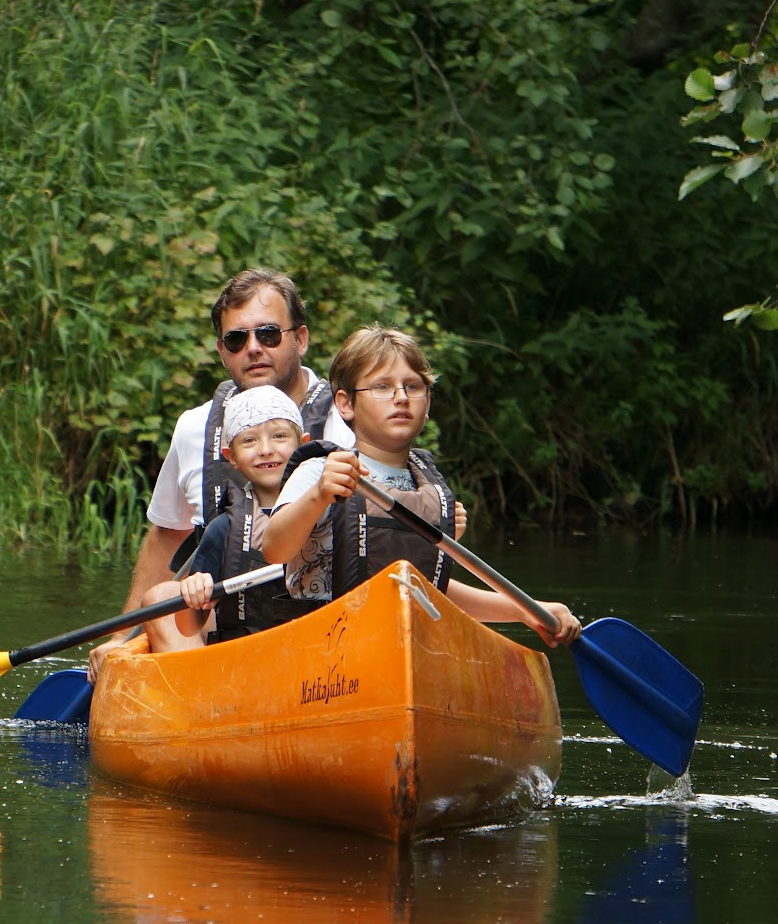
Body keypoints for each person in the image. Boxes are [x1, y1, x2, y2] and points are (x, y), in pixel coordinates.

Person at [87, 268, 353, 681]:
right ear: (221, 351)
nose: (253, 349)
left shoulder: (347, 425)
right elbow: (166, 536)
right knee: (167, 596)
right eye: (236, 339)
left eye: (268, 334)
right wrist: (120, 639)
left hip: (325, 627)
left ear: (299, 339)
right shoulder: (195, 428)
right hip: (223, 631)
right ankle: (202, 706)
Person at [261, 324, 581, 647]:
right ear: (346, 404)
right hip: (322, 651)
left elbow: (431, 592)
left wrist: (525, 611)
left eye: (413, 386)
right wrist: (317, 497)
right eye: (382, 387)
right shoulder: (321, 471)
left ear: (427, 403)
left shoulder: (428, 491)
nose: (401, 397)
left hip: (400, 649)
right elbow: (275, 549)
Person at [137, 385, 312, 654]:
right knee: (164, 596)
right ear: (232, 458)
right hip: (244, 658)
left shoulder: (327, 509)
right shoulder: (224, 529)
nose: (266, 450)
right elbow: (188, 626)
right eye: (250, 441)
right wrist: (195, 595)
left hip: (315, 649)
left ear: (303, 445)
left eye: (279, 436)